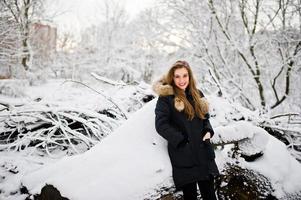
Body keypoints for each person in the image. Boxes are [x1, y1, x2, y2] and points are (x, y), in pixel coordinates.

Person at [153, 60, 219, 200]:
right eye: (177, 76)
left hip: (203, 152)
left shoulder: (197, 93)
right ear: (172, 77)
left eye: (185, 75)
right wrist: (182, 141)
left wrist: (207, 131)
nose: (182, 80)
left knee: (210, 195)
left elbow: (205, 118)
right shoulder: (166, 98)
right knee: (190, 196)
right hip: (185, 155)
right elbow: (161, 124)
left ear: (190, 76)